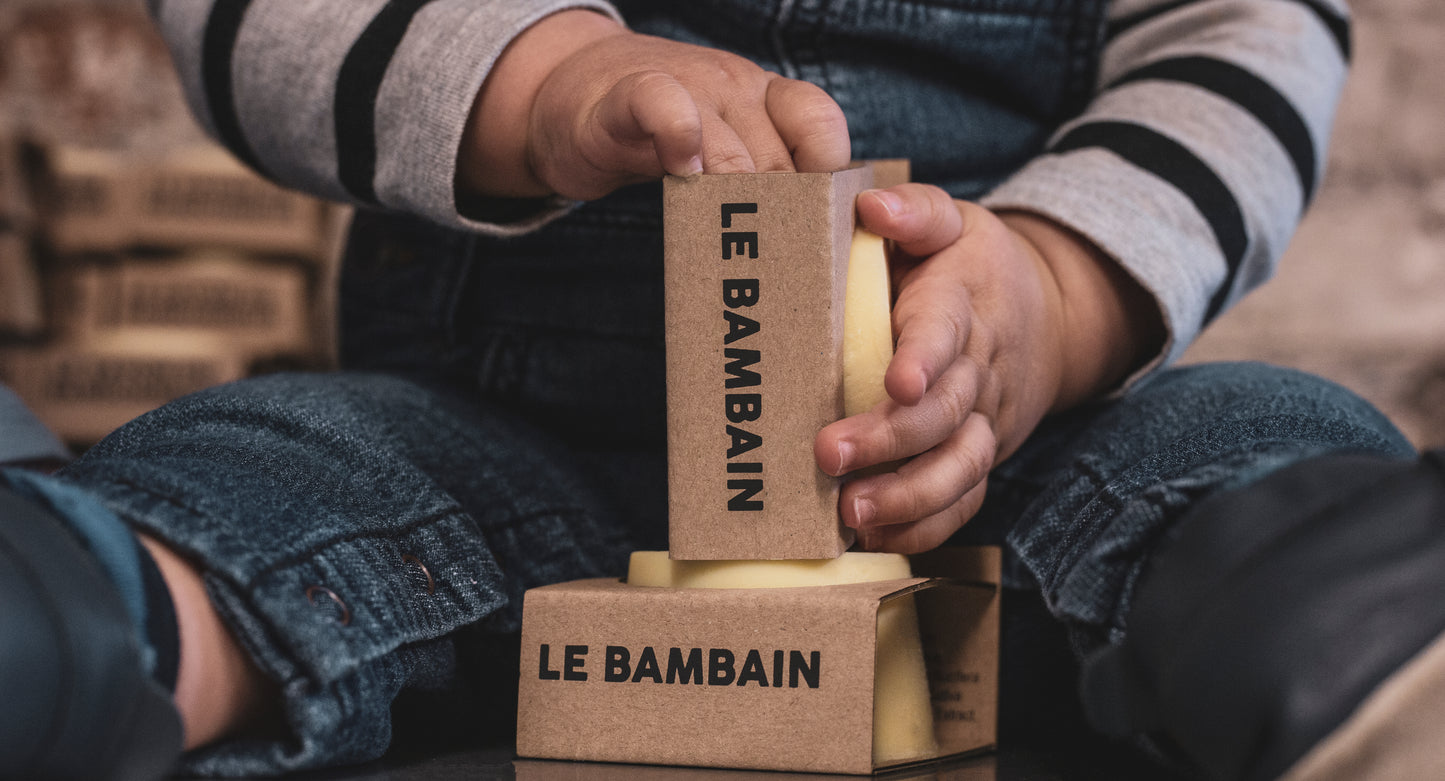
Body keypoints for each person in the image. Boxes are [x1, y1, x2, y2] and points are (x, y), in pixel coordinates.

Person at [2, 0, 1434, 778]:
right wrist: (540, 79)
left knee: (1229, 443)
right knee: (278, 467)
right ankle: (83, 623)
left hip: (995, 459)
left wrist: (1055, 291)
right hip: (489, 454)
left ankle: (1340, 629)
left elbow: (1245, 39)